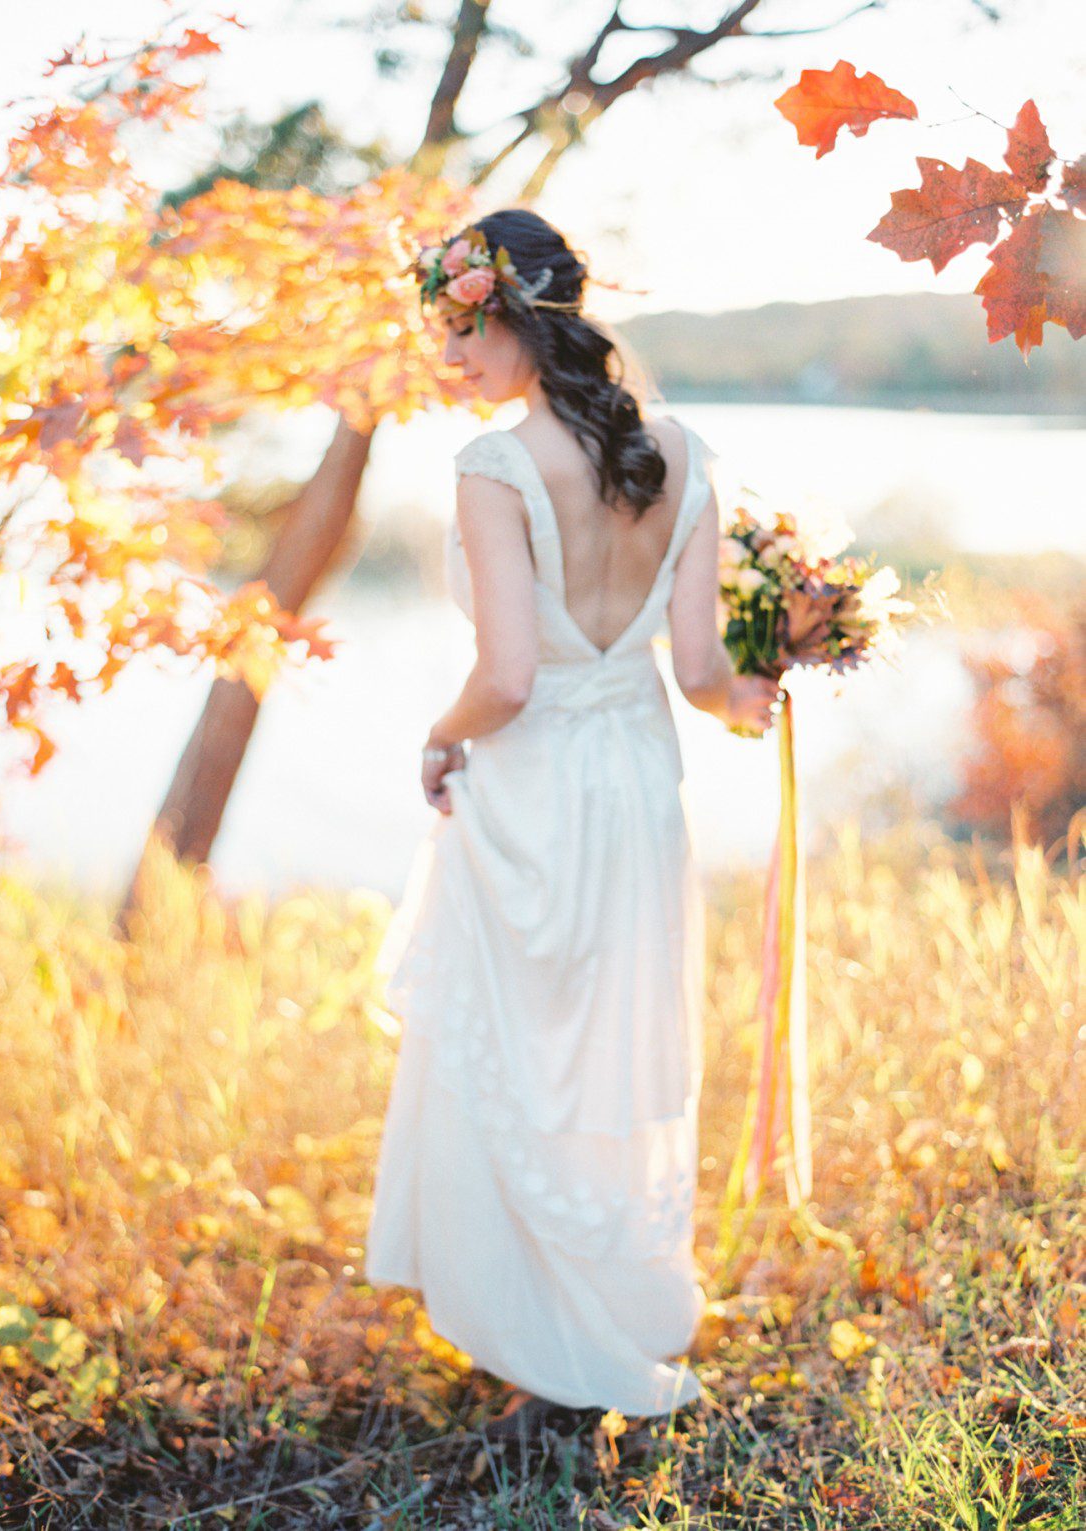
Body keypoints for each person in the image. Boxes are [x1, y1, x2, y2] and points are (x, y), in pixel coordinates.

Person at [363, 207, 780, 1440]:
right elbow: (704, 674)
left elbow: (506, 680)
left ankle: (553, 1344)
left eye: (459, 331)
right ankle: (583, 1326)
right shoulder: (686, 452)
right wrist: (763, 694)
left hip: (535, 781)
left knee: (522, 1049)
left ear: (506, 314)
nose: (452, 360)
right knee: (608, 1046)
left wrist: (439, 735)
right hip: (640, 780)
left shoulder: (495, 467)